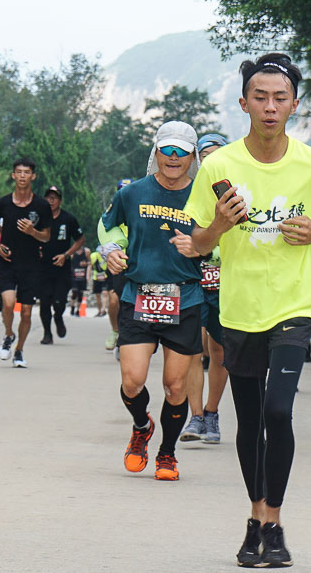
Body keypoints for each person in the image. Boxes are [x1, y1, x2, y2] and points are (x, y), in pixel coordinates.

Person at [185, 52, 311, 567]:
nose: (270, 106)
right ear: (244, 103)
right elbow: (194, 242)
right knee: (250, 418)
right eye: (261, 96)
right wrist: (219, 226)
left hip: (294, 305)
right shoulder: (217, 166)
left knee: (279, 411)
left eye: (280, 98)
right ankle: (254, 518)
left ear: (294, 105)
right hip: (239, 310)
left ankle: (274, 523)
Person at [101, 121, 205, 483]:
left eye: (181, 152)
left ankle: (167, 452)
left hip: (185, 298)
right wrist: (111, 250)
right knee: (133, 380)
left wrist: (203, 247)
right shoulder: (133, 193)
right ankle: (141, 426)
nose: (173, 158)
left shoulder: (204, 196)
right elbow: (108, 226)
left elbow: (224, 238)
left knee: (176, 387)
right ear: (156, 152)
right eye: (167, 150)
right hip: (139, 295)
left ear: (193, 156)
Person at [180, 132, 229, 446]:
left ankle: (212, 413)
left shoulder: (238, 195)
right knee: (190, 350)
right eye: (204, 154)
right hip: (190, 282)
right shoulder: (187, 192)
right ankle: (195, 416)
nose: (210, 158)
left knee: (220, 351)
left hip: (225, 285)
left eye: (217, 153)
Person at [0, 157, 52, 368]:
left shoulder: (41, 205)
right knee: (7, 303)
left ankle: (19, 350)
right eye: (19, 172)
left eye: (27, 172)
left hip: (32, 265)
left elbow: (46, 236)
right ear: (13, 175)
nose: (22, 176)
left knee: (26, 311)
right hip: (7, 261)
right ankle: (8, 334)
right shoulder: (2, 203)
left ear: (33, 176)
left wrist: (32, 231)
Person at [38, 185, 85, 344]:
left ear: (60, 201)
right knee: (44, 301)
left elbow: (80, 240)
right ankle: (47, 333)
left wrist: (66, 255)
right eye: (48, 198)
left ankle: (58, 317)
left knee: (59, 301)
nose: (51, 201)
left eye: (54, 198)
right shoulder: (39, 218)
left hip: (62, 267)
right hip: (43, 267)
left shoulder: (68, 219)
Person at [103, 178, 132, 351]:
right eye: (121, 190)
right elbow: (103, 232)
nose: (124, 194)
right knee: (114, 300)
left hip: (136, 264)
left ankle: (128, 337)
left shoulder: (141, 209)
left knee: (131, 303)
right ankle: (115, 330)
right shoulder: (113, 211)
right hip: (117, 263)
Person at [68, 245, 90, 317]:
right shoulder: (72, 252)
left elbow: (90, 263)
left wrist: (87, 275)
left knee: (80, 294)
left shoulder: (86, 251)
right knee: (74, 293)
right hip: (74, 276)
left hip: (82, 276)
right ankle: (72, 307)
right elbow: (69, 263)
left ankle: (78, 310)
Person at [88, 246, 110, 316]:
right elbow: (90, 265)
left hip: (105, 277)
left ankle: (103, 310)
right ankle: (99, 310)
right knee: (97, 295)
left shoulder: (107, 255)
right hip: (96, 277)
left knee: (104, 293)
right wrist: (88, 276)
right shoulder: (93, 256)